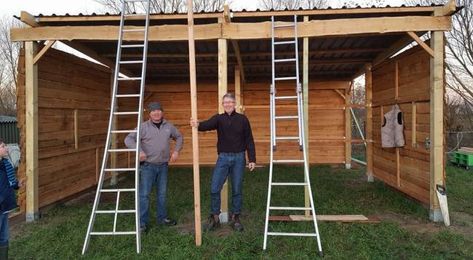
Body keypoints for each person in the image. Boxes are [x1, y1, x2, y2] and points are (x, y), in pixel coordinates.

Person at [190, 93, 256, 232]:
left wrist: (252, 159)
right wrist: (197, 124)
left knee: (237, 189)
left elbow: (249, 139)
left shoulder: (243, 119)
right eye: (225, 102)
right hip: (223, 158)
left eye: (230, 102)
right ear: (222, 104)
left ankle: (235, 218)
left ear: (235, 103)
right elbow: (206, 125)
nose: (228, 104)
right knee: (214, 188)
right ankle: (215, 218)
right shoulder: (219, 119)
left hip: (239, 158)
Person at [125, 102, 183, 232]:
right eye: (153, 111)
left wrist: (176, 151)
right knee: (144, 195)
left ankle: (162, 218)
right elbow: (128, 139)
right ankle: (142, 223)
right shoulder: (143, 127)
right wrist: (139, 150)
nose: (156, 113)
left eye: (159, 111)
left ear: (162, 112)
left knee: (162, 194)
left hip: (163, 166)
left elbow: (179, 137)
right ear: (149, 113)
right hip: (147, 167)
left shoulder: (168, 126)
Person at [0, 138, 21, 259]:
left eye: (5, 146)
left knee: (4, 236)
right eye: (3, 146)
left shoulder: (6, 163)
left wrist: (18, 184)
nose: (6, 148)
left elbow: (11, 183)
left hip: (5, 206)